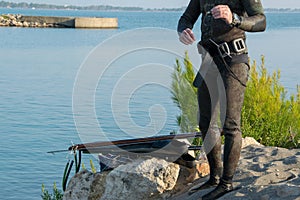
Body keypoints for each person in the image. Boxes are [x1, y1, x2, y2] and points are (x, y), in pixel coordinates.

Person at [177, 0, 266, 199]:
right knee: (206, 122)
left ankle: (227, 183)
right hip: (209, 62)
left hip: (234, 62)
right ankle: (215, 177)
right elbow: (185, 19)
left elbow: (261, 22)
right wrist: (183, 31)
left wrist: (234, 18)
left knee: (231, 125)